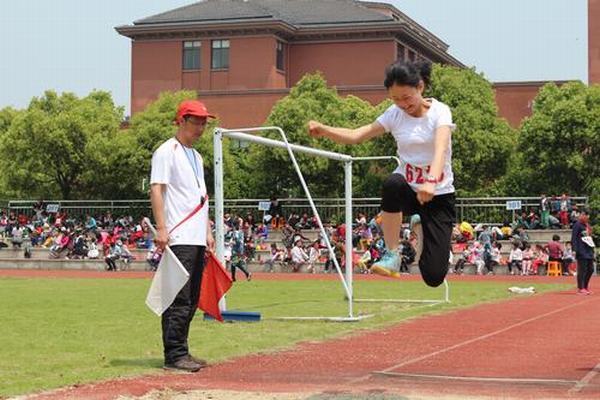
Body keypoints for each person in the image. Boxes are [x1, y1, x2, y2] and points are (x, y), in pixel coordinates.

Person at [308, 60, 456, 287]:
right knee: (392, 183)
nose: (402, 104)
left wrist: (431, 181)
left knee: (433, 277)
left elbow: (441, 149)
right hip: (408, 191)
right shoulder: (394, 114)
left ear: (420, 87)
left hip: (439, 195)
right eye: (396, 99)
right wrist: (325, 130)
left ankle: (420, 227)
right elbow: (357, 134)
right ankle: (392, 255)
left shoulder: (440, 112)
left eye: (406, 98)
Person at [150, 99, 215, 372]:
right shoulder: (167, 151)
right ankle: (173, 355)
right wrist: (162, 228)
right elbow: (157, 189)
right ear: (181, 121)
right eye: (196, 121)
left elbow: (200, 197)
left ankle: (182, 350)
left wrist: (208, 231)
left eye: (204, 122)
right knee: (177, 298)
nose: (201, 127)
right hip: (179, 236)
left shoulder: (197, 157)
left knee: (191, 298)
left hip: (197, 236)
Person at [571, 209, 595, 295]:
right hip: (581, 250)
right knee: (582, 269)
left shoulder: (587, 225)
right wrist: (574, 249)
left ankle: (585, 286)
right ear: (582, 215)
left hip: (588, 250)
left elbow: (589, 237)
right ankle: (581, 288)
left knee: (591, 269)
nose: (587, 217)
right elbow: (573, 238)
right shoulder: (577, 225)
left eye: (588, 216)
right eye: (585, 215)